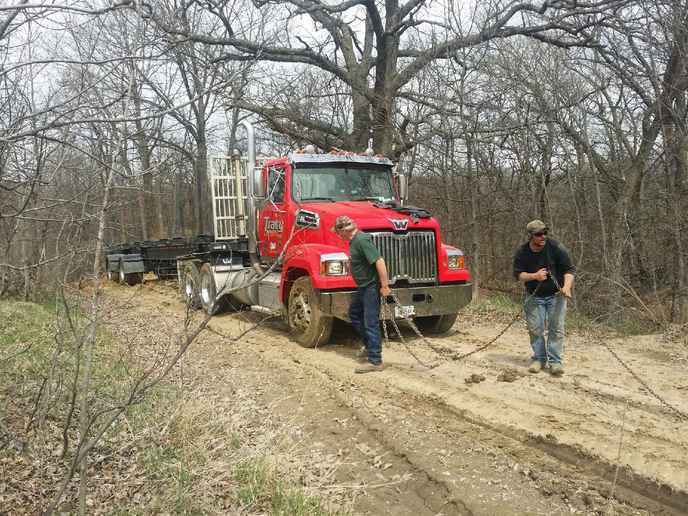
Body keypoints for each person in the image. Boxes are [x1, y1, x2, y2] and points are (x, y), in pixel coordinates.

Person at [513, 220, 575, 377]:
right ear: (531, 236)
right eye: (539, 234)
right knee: (535, 329)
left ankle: (555, 362)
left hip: (556, 295)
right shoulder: (522, 252)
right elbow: (519, 274)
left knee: (556, 329)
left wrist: (566, 287)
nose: (543, 236)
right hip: (534, 296)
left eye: (545, 233)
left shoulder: (555, 247)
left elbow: (569, 270)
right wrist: (535, 276)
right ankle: (539, 359)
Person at [333, 215, 392, 374]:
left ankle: (375, 360)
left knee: (370, 322)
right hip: (363, 287)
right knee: (354, 314)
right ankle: (369, 345)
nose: (339, 236)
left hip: (371, 287)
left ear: (343, 230)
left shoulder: (361, 240)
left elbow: (379, 261)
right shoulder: (355, 241)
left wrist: (385, 285)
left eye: (338, 233)